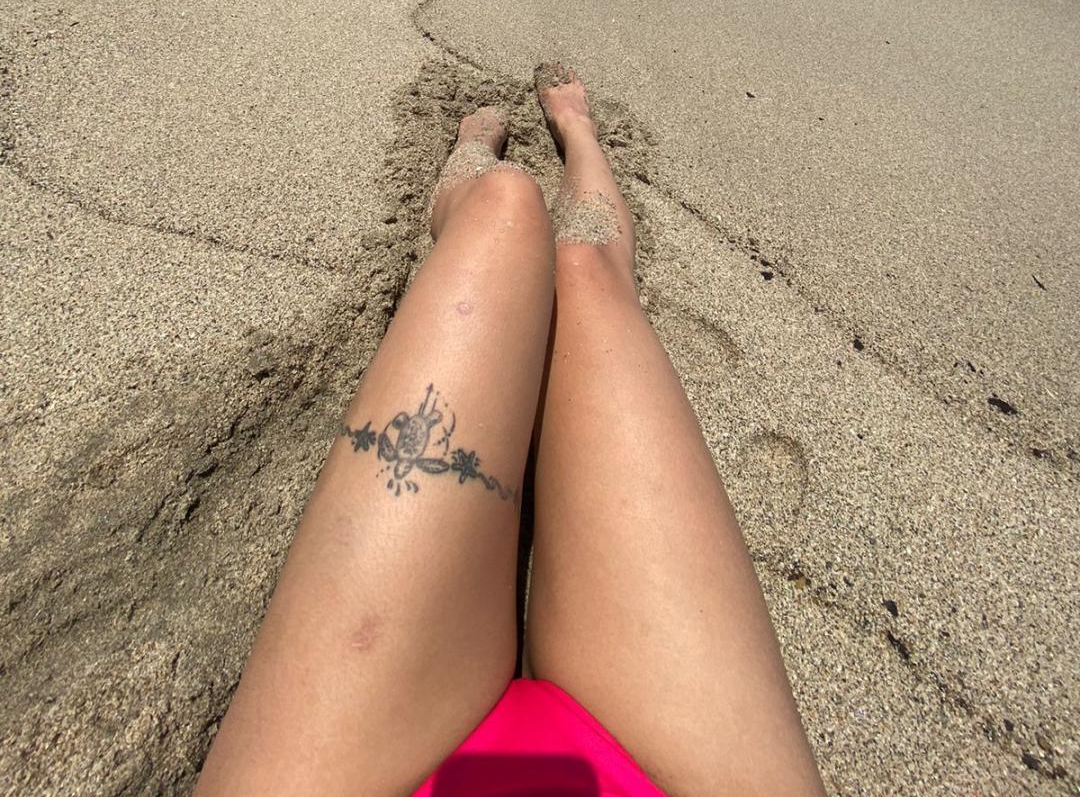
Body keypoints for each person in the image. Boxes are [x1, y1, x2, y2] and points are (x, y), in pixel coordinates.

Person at [195, 66, 826, 797]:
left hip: (361, 765)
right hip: (666, 772)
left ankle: (549, 143)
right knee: (583, 264)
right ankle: (560, 143)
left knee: (506, 210)